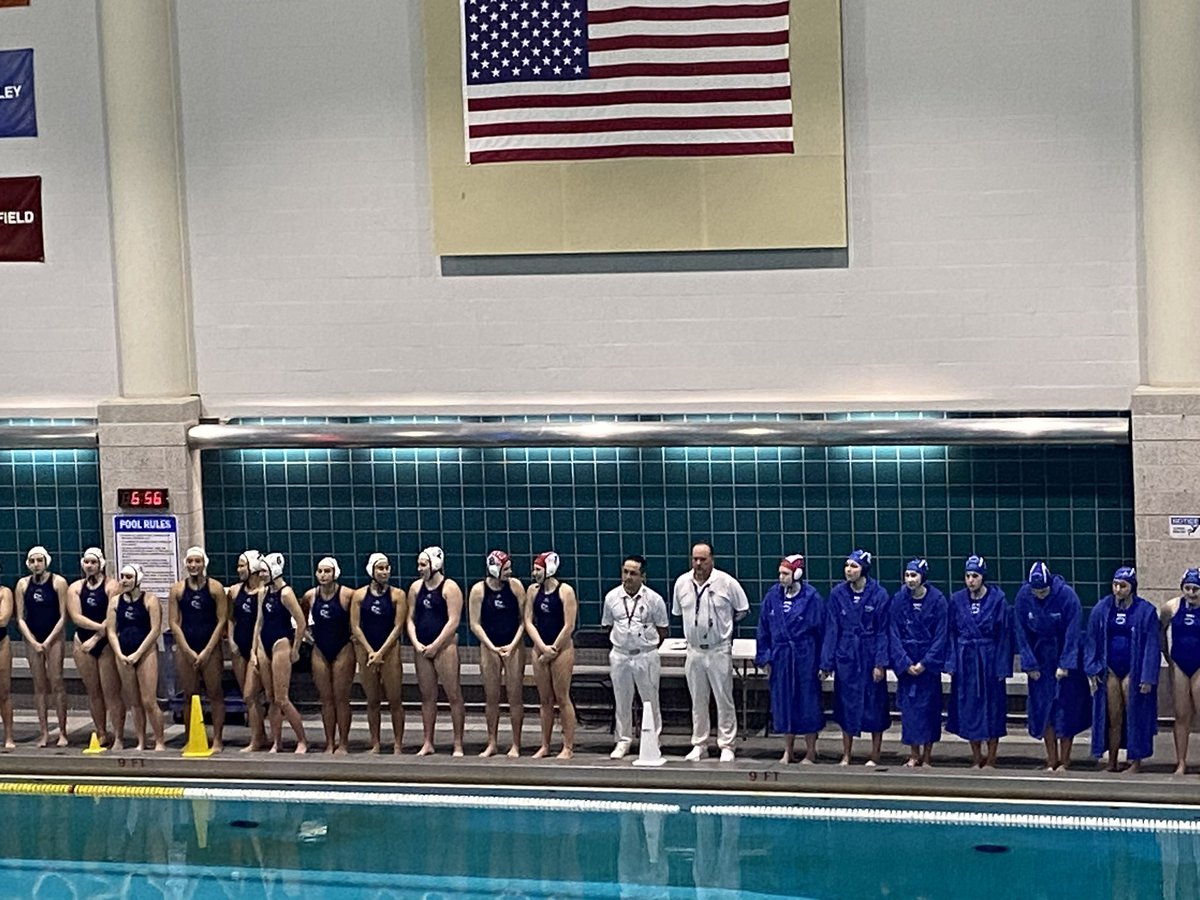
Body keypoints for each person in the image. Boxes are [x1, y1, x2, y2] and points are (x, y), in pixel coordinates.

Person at [672, 542, 749, 763]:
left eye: (703, 559)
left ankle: (727, 744)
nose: (698, 563)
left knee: (723, 698)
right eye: (695, 559)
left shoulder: (726, 582)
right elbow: (679, 612)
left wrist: (723, 627)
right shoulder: (681, 583)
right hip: (694, 651)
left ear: (711, 560)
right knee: (697, 699)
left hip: (718, 649)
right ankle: (699, 743)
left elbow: (742, 610)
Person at [1013, 560, 1090, 771]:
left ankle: (1065, 760)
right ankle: (1051, 759)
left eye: (1044, 591)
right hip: (1040, 657)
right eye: (1036, 592)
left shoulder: (1067, 596)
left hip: (1064, 653)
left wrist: (1066, 664)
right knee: (1043, 710)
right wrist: (1029, 663)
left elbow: (1073, 633)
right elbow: (1021, 633)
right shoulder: (1024, 596)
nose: (1040, 595)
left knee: (1065, 709)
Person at [819, 549, 890, 766]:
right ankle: (847, 754)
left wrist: (880, 663)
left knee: (875, 704)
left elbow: (883, 631)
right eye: (847, 565)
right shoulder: (838, 594)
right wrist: (826, 662)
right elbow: (832, 630)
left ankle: (874, 754)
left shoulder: (879, 594)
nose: (849, 570)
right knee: (845, 705)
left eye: (854, 566)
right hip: (847, 656)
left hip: (868, 655)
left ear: (864, 569)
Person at [1086, 566, 1159, 773]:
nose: (1118, 590)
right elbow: (1091, 640)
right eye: (1115, 585)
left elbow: (1151, 646)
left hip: (1133, 671)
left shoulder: (1146, 611)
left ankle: (1135, 761)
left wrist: (1147, 677)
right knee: (1113, 717)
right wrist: (1092, 668)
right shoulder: (1102, 609)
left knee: (1134, 714)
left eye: (1123, 586)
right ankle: (1112, 760)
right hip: (1110, 669)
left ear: (1132, 587)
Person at [756, 554, 825, 764]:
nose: (781, 577)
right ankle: (788, 749)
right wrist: (765, 657)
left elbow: (823, 632)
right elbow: (763, 629)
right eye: (780, 573)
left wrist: (824, 663)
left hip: (805, 657)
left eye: (785, 573)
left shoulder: (811, 597)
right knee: (783, 704)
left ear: (797, 574)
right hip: (781, 657)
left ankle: (811, 751)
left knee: (807, 703)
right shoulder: (772, 597)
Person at [946, 555, 1011, 768]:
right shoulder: (957, 600)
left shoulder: (997, 600)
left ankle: (991, 757)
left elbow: (1004, 635)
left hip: (989, 659)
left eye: (975, 576)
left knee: (993, 708)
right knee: (969, 708)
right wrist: (952, 663)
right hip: (967, 661)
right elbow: (952, 633)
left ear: (983, 577)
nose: (971, 580)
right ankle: (976, 757)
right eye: (967, 576)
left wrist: (1002, 666)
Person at [602, 554, 669, 760]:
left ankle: (653, 740)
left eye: (633, 573)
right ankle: (623, 740)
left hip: (645, 655)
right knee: (622, 700)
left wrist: (647, 646)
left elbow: (663, 630)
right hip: (620, 655)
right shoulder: (611, 598)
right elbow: (607, 625)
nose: (628, 577)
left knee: (650, 700)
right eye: (625, 572)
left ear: (643, 577)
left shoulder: (654, 599)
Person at [887, 558, 948, 768]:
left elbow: (941, 635)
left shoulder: (938, 600)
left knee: (930, 709)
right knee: (910, 712)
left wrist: (926, 662)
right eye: (907, 575)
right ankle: (914, 754)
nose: (910, 580)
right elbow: (893, 633)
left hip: (927, 665)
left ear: (923, 577)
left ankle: (928, 755)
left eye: (914, 576)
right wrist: (904, 662)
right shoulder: (898, 600)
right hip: (907, 661)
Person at [406, 546, 467, 757]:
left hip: (445, 647)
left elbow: (453, 621)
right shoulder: (415, 588)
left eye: (423, 564)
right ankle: (428, 742)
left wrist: (436, 645)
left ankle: (458, 743)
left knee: (453, 695)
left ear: (435, 565)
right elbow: (410, 619)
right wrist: (415, 642)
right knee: (427, 696)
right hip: (422, 647)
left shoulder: (450, 588)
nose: (419, 568)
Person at [167, 546, 228, 752]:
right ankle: (190, 738)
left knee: (215, 694)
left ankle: (217, 740)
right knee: (189, 696)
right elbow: (174, 623)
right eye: (190, 562)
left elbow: (221, 621)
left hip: (210, 647)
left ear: (204, 564)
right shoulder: (177, 589)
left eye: (197, 561)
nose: (193, 565)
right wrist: (186, 649)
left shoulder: (215, 588)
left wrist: (208, 650)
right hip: (187, 648)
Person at [467, 550, 528, 758]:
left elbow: (524, 621)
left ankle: (516, 744)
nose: (509, 572)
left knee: (515, 697)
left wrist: (512, 645)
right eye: (506, 568)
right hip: (489, 647)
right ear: (494, 569)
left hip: (514, 647)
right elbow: (475, 624)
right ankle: (492, 742)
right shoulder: (478, 590)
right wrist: (491, 646)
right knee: (491, 697)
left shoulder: (516, 587)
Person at [525, 550, 580, 759]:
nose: (534, 573)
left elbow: (569, 625)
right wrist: (541, 646)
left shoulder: (565, 591)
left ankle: (568, 746)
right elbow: (528, 621)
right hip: (540, 648)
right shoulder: (532, 591)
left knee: (562, 698)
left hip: (561, 649)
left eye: (538, 569)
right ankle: (545, 745)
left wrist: (553, 650)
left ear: (549, 569)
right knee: (545, 700)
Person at [350, 552, 407, 753]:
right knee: (372, 700)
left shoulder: (398, 595)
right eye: (380, 568)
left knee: (395, 699)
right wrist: (370, 651)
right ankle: (375, 742)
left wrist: (380, 652)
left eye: (386, 568)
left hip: (389, 651)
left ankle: (398, 743)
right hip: (366, 650)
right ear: (371, 571)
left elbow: (398, 626)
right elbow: (355, 627)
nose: (384, 571)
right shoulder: (359, 596)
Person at [67, 547, 123, 749]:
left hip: (106, 643)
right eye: (87, 562)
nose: (90, 566)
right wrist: (100, 628)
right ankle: (101, 732)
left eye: (93, 562)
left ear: (101, 564)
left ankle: (118, 735)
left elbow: (113, 616)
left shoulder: (112, 586)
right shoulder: (75, 588)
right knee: (94, 692)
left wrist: (99, 636)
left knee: (111, 692)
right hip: (83, 640)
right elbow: (76, 617)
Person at [14, 546, 69, 747]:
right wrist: (33, 641)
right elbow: (19, 618)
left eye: (39, 560)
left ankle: (62, 731)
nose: (36, 564)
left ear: (46, 561)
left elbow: (64, 616)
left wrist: (47, 641)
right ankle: (44, 732)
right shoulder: (22, 585)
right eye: (32, 561)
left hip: (54, 637)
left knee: (57, 682)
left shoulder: (58, 582)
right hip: (32, 638)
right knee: (39, 686)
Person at [106, 563, 165, 751]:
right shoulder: (115, 602)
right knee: (134, 701)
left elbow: (155, 630)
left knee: (148, 700)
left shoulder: (150, 600)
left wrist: (138, 653)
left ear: (138, 579)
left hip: (146, 652)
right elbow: (111, 631)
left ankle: (159, 740)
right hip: (123, 653)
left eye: (129, 577)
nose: (124, 580)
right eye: (122, 577)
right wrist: (119, 653)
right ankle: (141, 741)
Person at [255, 553, 307, 753]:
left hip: (281, 644)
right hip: (264, 643)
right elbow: (259, 622)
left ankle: (302, 740)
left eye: (263, 571)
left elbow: (301, 622)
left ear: (273, 571)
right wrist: (255, 650)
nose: (260, 575)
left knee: (282, 698)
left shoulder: (286, 594)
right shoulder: (263, 592)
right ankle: (277, 741)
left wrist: (295, 649)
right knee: (270, 698)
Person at [303, 556, 355, 755]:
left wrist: (355, 638)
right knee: (326, 699)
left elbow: (359, 619)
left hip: (343, 647)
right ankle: (329, 742)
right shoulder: (310, 596)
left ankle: (343, 743)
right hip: (320, 649)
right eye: (320, 571)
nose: (323, 575)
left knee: (341, 697)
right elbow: (298, 620)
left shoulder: (347, 595)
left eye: (328, 571)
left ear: (335, 574)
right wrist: (308, 638)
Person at [226, 550, 269, 751]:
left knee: (251, 694)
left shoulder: (264, 591)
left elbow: (262, 623)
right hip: (239, 648)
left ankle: (256, 739)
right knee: (248, 697)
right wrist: (232, 641)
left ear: (252, 567)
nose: (239, 569)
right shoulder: (235, 591)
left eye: (242, 565)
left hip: (258, 648)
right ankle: (261, 734)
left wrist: (256, 649)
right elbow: (230, 618)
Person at [1161, 568, 1200, 775]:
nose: (1191, 593)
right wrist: (1167, 657)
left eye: (1196, 589)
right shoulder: (1172, 607)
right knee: (1181, 715)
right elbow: (1160, 630)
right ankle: (1181, 762)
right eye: (1188, 588)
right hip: (1179, 663)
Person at [0, 569, 14, 748]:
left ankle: (9, 736)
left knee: (4, 692)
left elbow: (3, 619)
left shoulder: (4, 592)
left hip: (1, 643)